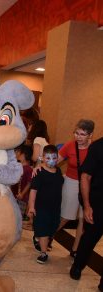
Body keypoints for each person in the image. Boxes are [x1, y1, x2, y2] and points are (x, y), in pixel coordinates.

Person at [57, 119, 94, 257]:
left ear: (90, 135)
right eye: (76, 133)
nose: (78, 137)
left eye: (82, 134)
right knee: (66, 216)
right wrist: (40, 166)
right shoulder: (69, 146)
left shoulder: (94, 149)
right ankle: (47, 236)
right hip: (72, 182)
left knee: (82, 219)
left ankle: (75, 249)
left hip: (89, 185)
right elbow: (54, 161)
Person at [70, 137, 103, 291]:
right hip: (98, 203)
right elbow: (85, 176)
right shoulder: (98, 147)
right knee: (89, 238)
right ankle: (77, 266)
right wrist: (87, 206)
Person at [28, 145, 64, 264]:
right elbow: (33, 191)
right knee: (43, 230)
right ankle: (43, 253)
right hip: (41, 208)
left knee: (52, 227)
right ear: (43, 158)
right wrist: (31, 207)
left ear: (57, 157)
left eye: (54, 158)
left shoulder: (58, 171)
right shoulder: (39, 172)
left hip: (55, 208)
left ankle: (39, 238)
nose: (51, 161)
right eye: (48, 158)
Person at [12, 144, 33, 221]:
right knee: (12, 215)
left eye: (19, 152)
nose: (17, 154)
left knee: (18, 217)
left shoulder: (28, 169)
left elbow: (30, 183)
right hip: (14, 195)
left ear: (25, 155)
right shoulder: (18, 166)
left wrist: (22, 194)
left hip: (22, 198)